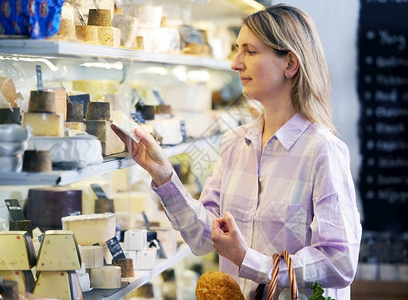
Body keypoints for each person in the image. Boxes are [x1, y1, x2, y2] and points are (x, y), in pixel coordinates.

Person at [112, 3, 362, 299]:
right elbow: (205, 239)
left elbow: (340, 260)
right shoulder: (235, 143)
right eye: (237, 49)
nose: (235, 63)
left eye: (250, 51)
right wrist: (165, 176)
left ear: (290, 64)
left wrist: (248, 260)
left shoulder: (323, 150)